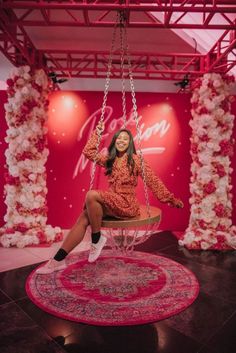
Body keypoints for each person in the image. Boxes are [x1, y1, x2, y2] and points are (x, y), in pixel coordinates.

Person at [36, 123, 183, 274]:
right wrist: (97, 132)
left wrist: (169, 199)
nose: (121, 141)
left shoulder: (136, 160)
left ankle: (96, 238)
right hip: (112, 201)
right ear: (114, 142)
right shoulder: (110, 160)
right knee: (84, 217)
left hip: (127, 204)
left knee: (91, 195)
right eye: (118, 138)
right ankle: (58, 260)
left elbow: (153, 181)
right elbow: (88, 151)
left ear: (130, 143)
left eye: (125, 139)